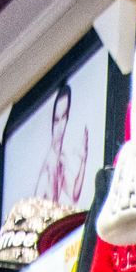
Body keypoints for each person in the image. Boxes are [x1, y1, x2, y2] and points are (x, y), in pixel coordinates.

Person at [37, 78, 90, 211]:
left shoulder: (60, 160)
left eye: (64, 117)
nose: (60, 126)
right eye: (56, 120)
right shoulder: (48, 167)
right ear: (52, 124)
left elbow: (74, 194)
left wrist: (84, 161)